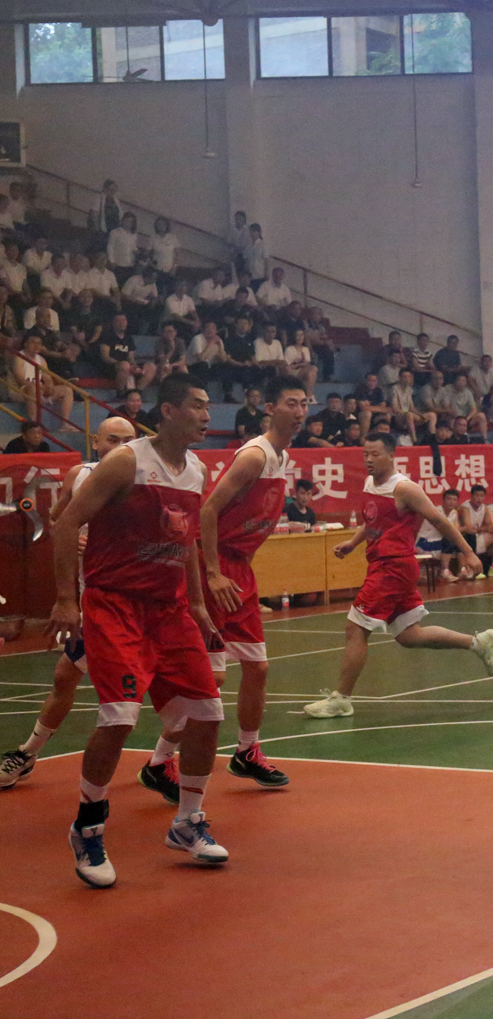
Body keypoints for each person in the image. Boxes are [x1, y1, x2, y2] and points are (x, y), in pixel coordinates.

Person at [49, 374, 227, 887]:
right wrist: (66, 599)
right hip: (115, 605)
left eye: (208, 406)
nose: (207, 415)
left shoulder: (195, 470)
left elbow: (186, 540)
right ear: (168, 411)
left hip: (169, 611)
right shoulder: (126, 462)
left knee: (207, 713)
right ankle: (87, 827)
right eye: (197, 406)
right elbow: (66, 523)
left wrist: (198, 604)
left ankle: (187, 822)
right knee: (120, 717)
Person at [302, 433, 493, 718]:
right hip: (384, 566)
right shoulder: (370, 484)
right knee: (409, 635)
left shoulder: (405, 489)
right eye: (365, 454)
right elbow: (374, 521)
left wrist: (468, 552)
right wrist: (354, 543)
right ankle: (478, 643)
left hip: (393, 568)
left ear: (392, 455)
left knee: (356, 628)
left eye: (375, 454)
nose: (369, 459)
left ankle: (341, 699)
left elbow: (439, 519)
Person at [0, 418, 139, 790]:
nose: (119, 446)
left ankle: (162, 761)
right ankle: (27, 754)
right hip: (94, 600)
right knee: (65, 677)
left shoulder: (144, 481)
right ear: (96, 441)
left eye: (128, 440)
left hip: (133, 602)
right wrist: (72, 533)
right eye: (112, 439)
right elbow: (58, 517)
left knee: (166, 693)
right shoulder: (80, 476)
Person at [199, 375, 309, 789]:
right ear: (270, 408)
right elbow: (207, 511)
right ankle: (160, 759)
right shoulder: (254, 456)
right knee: (212, 677)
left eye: (304, 404)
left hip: (241, 569)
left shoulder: (282, 456)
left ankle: (247, 751)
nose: (299, 412)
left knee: (257, 667)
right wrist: (212, 572)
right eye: (291, 403)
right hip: (215, 567)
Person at [12, 332, 74, 425]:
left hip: (39, 388)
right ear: (25, 344)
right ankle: (33, 423)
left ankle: (65, 424)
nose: (37, 345)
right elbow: (20, 379)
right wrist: (39, 387)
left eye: (39, 343)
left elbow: (47, 377)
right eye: (33, 342)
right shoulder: (19, 357)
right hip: (23, 389)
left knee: (67, 390)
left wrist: (49, 386)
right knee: (33, 388)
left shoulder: (41, 359)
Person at [417, 489, 466, 581]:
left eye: (454, 500)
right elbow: (446, 531)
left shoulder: (454, 512)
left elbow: (457, 530)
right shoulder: (436, 512)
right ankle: (445, 571)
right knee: (451, 540)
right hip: (425, 543)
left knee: (460, 539)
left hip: (439, 542)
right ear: (443, 500)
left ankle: (463, 570)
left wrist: (462, 530)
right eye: (449, 499)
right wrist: (466, 528)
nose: (451, 502)